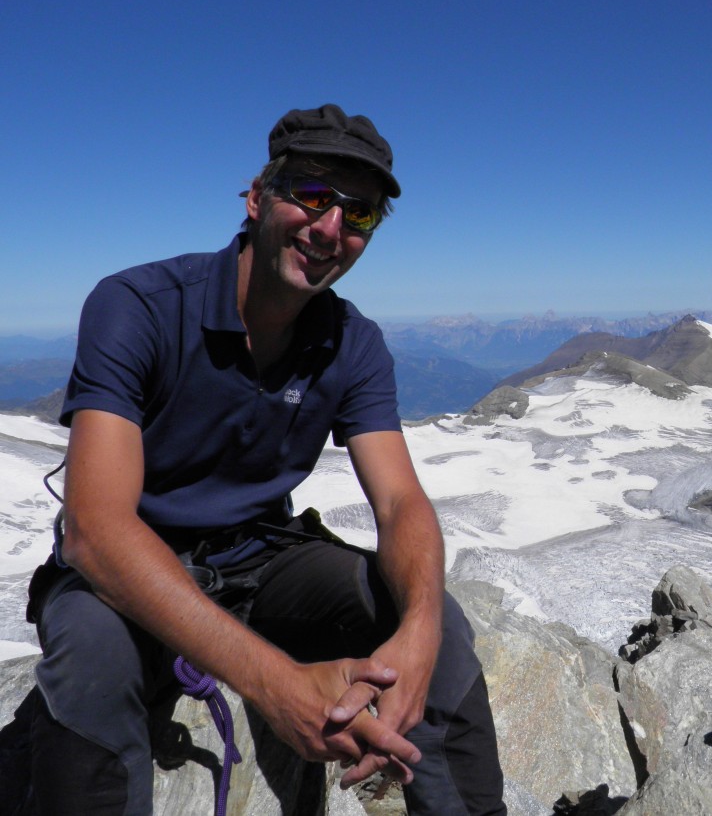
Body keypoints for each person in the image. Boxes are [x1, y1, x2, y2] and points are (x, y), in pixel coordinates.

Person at [20, 104, 506, 815]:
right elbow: (94, 531)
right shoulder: (139, 306)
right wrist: (277, 687)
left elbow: (401, 501)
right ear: (256, 198)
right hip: (131, 566)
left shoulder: (353, 342)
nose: (331, 228)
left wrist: (421, 630)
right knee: (92, 661)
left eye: (359, 213)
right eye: (311, 194)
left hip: (263, 558)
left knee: (445, 631)